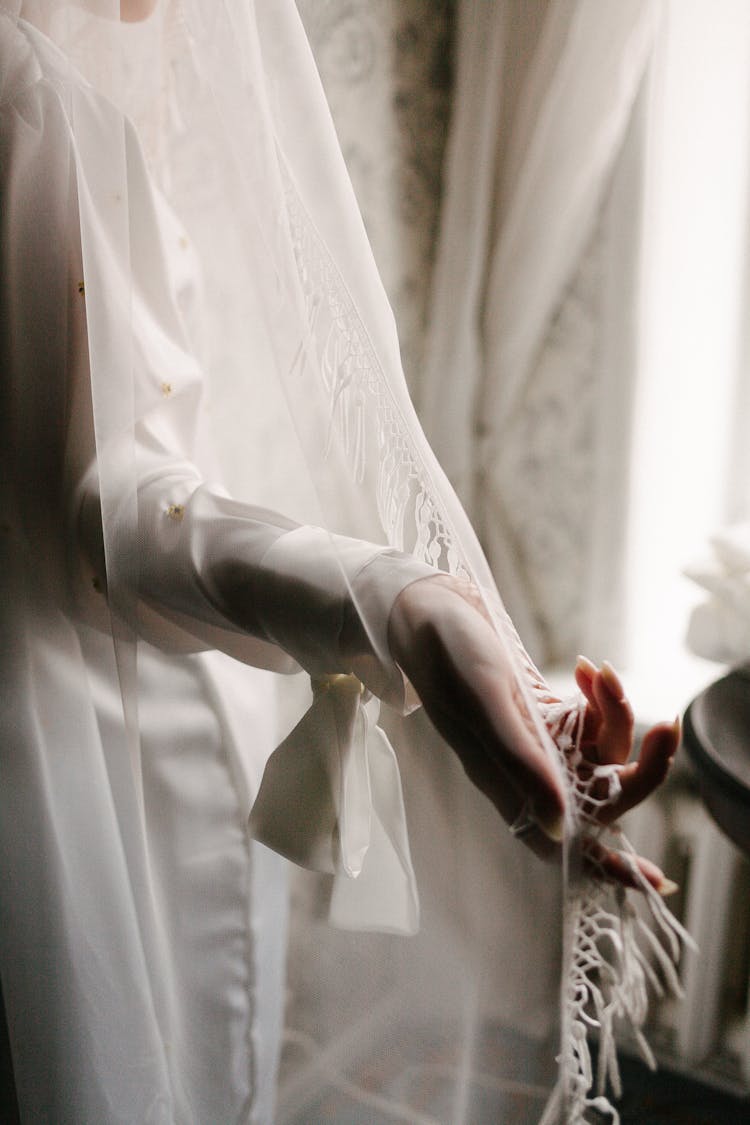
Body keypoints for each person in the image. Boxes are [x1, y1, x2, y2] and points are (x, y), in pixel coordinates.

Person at [0, 1, 680, 1121]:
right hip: (72, 770)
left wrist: (407, 605)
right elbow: (110, 504)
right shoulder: (28, 99)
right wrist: (399, 606)